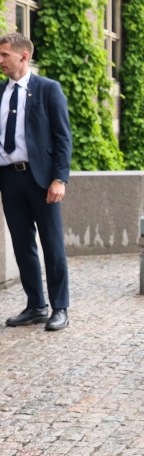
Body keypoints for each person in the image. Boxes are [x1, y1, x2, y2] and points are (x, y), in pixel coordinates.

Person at [0, 32, 71, 332]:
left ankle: (60, 308)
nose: (0, 60)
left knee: (52, 244)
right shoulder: (0, 92)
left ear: (24, 56)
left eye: (4, 55)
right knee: (22, 244)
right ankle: (35, 305)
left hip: (41, 179)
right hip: (8, 177)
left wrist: (60, 178)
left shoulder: (48, 89)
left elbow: (62, 137)